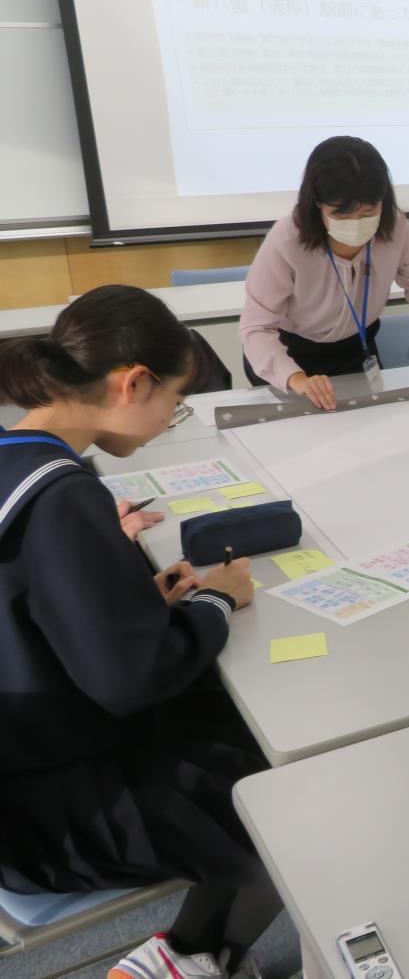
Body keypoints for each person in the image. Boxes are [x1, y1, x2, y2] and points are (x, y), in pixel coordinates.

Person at [0, 286, 274, 979]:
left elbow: (32, 612)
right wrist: (213, 601)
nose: (166, 421)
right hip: (39, 808)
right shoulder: (66, 495)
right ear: (133, 383)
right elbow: (130, 679)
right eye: (173, 403)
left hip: (27, 739)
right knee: (287, 800)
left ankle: (191, 950)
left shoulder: (16, 453)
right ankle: (189, 958)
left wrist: (130, 599)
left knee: (232, 732)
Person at [240, 136, 409, 411]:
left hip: (356, 349)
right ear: (317, 203)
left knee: (370, 431)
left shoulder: (396, 228)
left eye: (367, 212)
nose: (356, 224)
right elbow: (256, 328)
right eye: (341, 215)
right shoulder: (287, 240)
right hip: (289, 356)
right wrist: (297, 379)